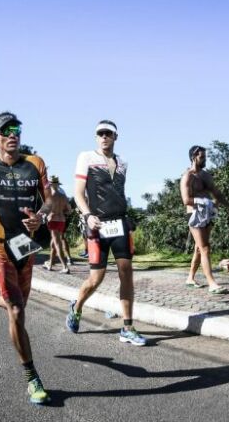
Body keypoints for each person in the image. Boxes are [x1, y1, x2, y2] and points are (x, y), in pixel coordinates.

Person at [0, 111, 52, 405]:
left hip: (24, 244)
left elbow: (50, 199)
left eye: (17, 128)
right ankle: (32, 377)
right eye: (7, 130)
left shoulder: (35, 163)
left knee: (18, 304)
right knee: (16, 310)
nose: (13, 134)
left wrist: (40, 216)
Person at [66, 120, 146, 346]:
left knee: (126, 272)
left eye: (108, 133)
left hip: (120, 223)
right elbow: (78, 194)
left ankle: (127, 327)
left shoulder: (123, 163)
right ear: (96, 137)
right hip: (97, 225)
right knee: (96, 278)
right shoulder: (86, 158)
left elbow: (118, 192)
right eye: (100, 133)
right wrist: (87, 215)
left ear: (115, 137)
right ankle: (77, 306)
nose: (104, 137)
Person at [180, 145, 229, 293]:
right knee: (205, 248)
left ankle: (190, 278)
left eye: (205, 157)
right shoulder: (187, 176)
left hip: (207, 213)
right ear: (194, 157)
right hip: (194, 214)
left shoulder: (206, 175)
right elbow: (186, 200)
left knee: (199, 248)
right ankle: (212, 284)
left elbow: (217, 193)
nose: (205, 160)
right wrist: (205, 202)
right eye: (202, 157)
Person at [42, 175, 73, 273]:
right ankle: (50, 264)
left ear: (50, 185)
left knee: (57, 243)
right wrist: (61, 211)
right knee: (53, 243)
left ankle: (65, 267)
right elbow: (69, 210)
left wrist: (50, 213)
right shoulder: (63, 196)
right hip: (62, 221)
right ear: (58, 184)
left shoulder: (50, 196)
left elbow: (44, 210)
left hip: (53, 221)